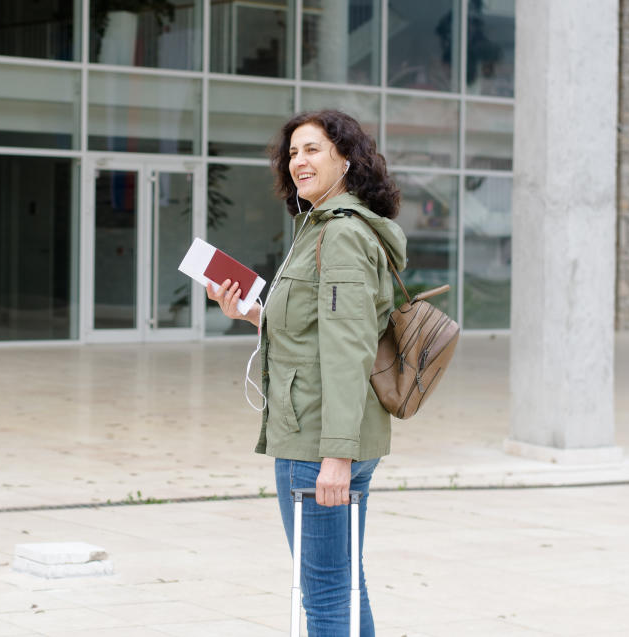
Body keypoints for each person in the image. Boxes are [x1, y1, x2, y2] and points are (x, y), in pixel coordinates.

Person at [207, 109, 406, 636]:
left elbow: (347, 348)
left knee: (323, 594)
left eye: (313, 149)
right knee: (343, 583)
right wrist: (249, 312)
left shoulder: (338, 237)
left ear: (346, 158)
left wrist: (334, 457)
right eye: (293, 152)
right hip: (333, 435)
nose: (299, 160)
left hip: (318, 443)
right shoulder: (322, 230)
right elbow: (313, 332)